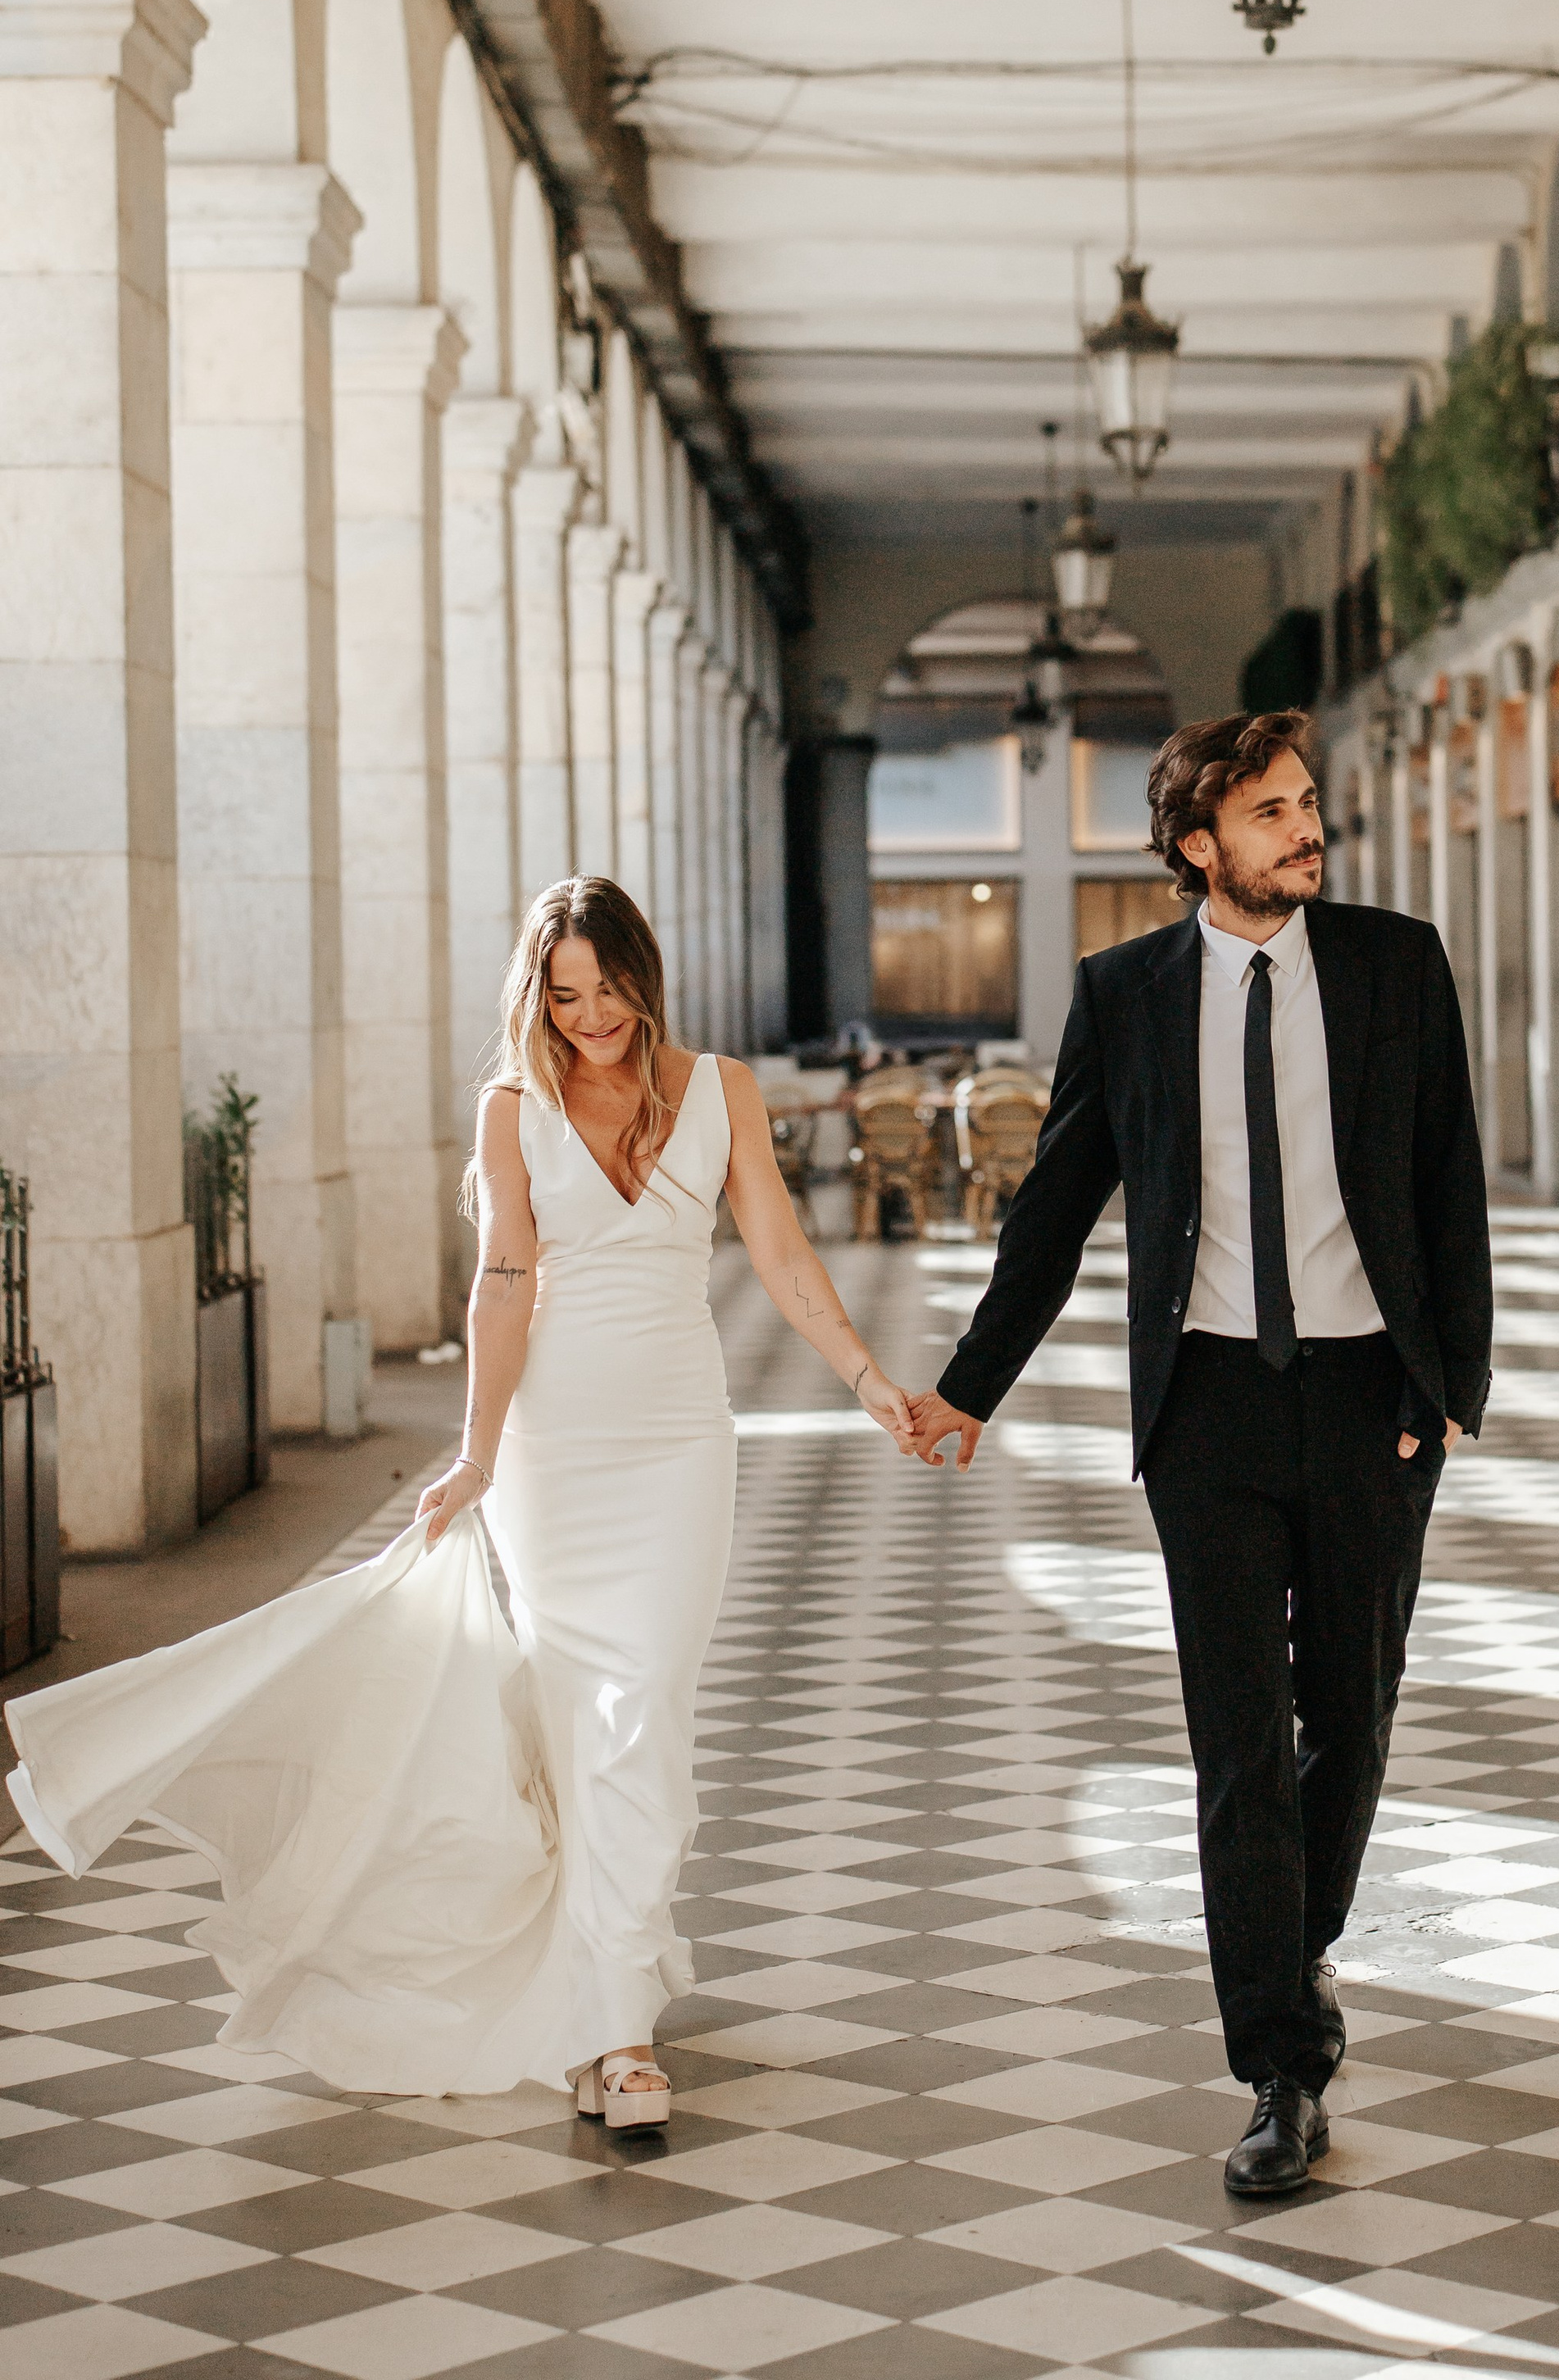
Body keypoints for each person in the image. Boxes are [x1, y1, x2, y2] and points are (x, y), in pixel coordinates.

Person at [7, 875, 914, 2123]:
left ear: (645, 979)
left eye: (606, 988)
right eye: (563, 994)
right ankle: (616, 2031)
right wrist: (478, 1453)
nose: (589, 1016)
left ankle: (611, 2004)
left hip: (676, 1443)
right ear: (537, 1000)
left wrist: (863, 1373)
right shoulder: (514, 1107)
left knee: (643, 1704)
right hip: (556, 1451)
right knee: (574, 1721)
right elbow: (502, 1287)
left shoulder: (722, 1091)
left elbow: (781, 1252)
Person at [905, 711, 1491, 2196]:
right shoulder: (1128, 997)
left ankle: (1291, 1942)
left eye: (1308, 804)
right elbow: (1055, 1208)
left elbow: (1448, 1184)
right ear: (1197, 845)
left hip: (1370, 1397)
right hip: (1208, 1412)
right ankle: (1279, 2068)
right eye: (1275, 811)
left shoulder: (1393, 963)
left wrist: (1451, 1392)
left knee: (1349, 1720)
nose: (1308, 828)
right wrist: (972, 1385)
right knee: (1238, 1747)